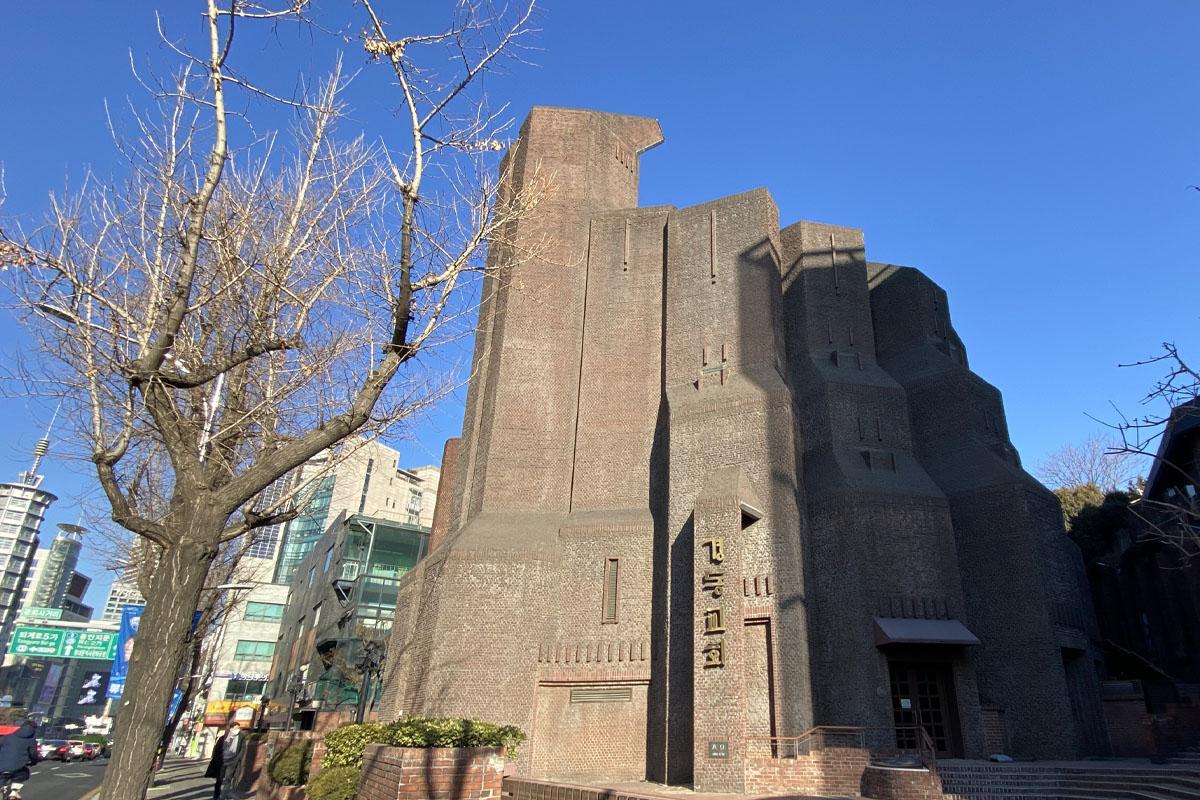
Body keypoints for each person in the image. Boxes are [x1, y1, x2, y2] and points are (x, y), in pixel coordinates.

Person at [204, 719, 245, 800]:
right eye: (236, 728)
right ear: (231, 729)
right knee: (219, 780)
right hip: (222, 761)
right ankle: (216, 796)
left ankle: (222, 797)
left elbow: (243, 749)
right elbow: (217, 749)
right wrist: (216, 760)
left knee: (228, 780)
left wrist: (238, 759)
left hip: (232, 762)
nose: (238, 730)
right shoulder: (223, 738)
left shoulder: (241, 738)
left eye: (239, 728)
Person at [0, 719, 39, 799]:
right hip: (17, 769)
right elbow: (33, 754)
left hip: (1, 767)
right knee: (25, 773)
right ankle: (14, 791)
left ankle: (3, 789)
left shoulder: (7, 737)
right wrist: (34, 762)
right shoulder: (31, 741)